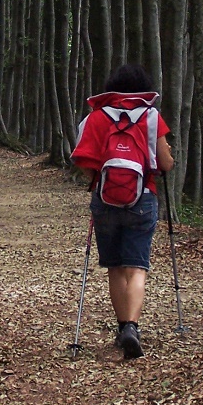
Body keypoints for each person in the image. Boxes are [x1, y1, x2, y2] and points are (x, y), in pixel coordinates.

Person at [71, 64, 174, 359]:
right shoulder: (151, 117)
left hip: (105, 201)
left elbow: (83, 161)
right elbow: (165, 164)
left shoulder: (97, 116)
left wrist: (102, 177)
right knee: (137, 265)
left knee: (114, 266)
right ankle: (132, 327)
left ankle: (121, 328)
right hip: (143, 198)